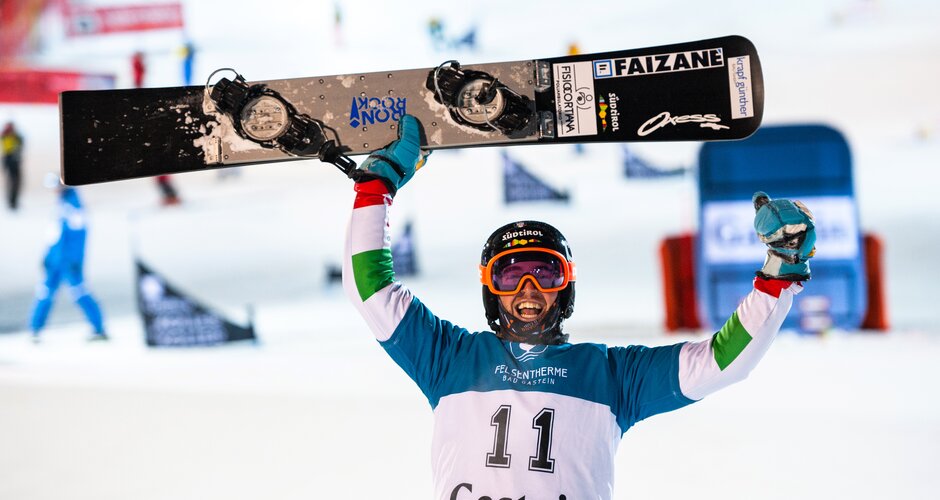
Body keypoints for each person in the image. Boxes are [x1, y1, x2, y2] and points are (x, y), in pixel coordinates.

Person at [343, 115, 816, 499]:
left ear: (566, 287)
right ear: (491, 288)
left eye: (545, 274)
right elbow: (371, 291)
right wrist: (376, 188)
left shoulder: (611, 374)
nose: (528, 289)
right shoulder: (451, 358)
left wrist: (778, 276)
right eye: (510, 275)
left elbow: (721, 363)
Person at [29, 183, 107, 342]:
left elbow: (77, 236)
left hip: (68, 261)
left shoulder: (73, 206)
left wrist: (74, 259)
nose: (54, 191)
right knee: (46, 292)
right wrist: (48, 256)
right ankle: (35, 329)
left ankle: (99, 328)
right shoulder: (62, 204)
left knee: (79, 291)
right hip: (56, 260)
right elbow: (54, 236)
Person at [2, 121, 24, 210]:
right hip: (9, 159)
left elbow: (21, 144)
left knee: (15, 182)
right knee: (12, 182)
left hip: (13, 160)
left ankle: (13, 202)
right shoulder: (5, 136)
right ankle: (12, 202)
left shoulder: (15, 136)